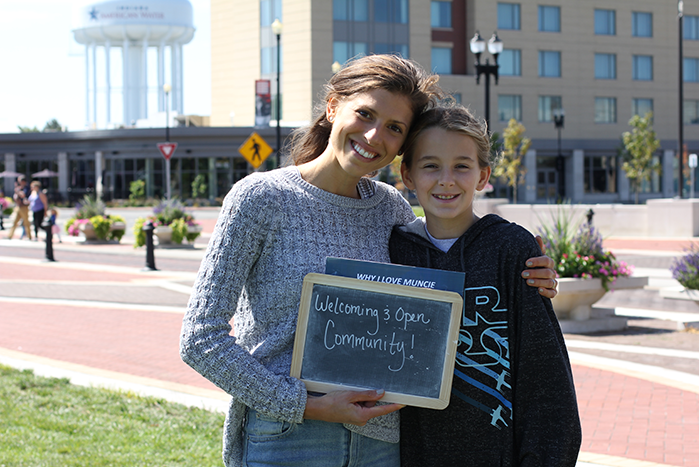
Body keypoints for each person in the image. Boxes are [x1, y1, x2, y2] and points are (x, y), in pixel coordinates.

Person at [180, 55, 558, 467]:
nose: (375, 135)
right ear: (332, 107)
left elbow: (447, 268)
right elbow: (201, 339)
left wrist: (528, 267)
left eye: (394, 128)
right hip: (289, 436)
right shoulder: (260, 199)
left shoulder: (391, 209)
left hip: (384, 442)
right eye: (365, 114)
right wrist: (307, 404)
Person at [389, 104, 581, 466]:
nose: (447, 179)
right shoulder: (391, 251)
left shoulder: (510, 249)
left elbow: (546, 380)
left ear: (482, 175)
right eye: (430, 165)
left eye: (462, 165)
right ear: (407, 175)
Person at [7, 175, 32, 240]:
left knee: (26, 222)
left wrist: (17, 191)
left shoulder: (27, 187)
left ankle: (29, 236)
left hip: (24, 207)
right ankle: (10, 235)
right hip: (19, 206)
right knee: (15, 221)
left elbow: (23, 195)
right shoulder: (21, 187)